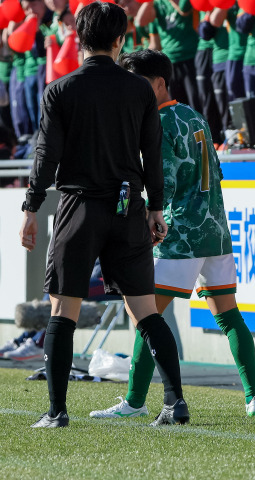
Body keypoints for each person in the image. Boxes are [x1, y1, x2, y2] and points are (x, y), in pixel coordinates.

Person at [18, 2, 188, 428]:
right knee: (146, 311)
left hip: (79, 207)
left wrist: (31, 207)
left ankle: (57, 411)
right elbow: (153, 153)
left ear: (78, 38)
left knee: (63, 310)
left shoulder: (60, 89)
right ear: (120, 40)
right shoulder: (139, 91)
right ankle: (175, 402)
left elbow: (46, 155)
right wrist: (155, 208)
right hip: (129, 205)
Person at [89, 49, 255, 419]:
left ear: (161, 83)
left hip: (179, 230)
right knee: (230, 316)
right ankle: (254, 399)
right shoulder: (195, 116)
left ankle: (134, 402)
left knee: (146, 318)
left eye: (142, 84)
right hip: (215, 230)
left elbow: (161, 184)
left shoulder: (159, 122)